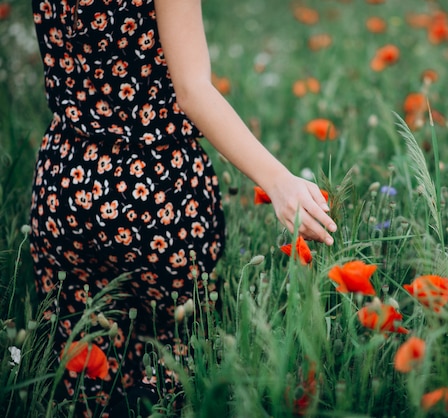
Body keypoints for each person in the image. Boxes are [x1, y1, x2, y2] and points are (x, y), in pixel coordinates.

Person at [29, 0, 337, 416]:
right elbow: (192, 91)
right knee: (170, 377)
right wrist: (279, 181)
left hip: (64, 183)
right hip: (156, 196)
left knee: (84, 375)